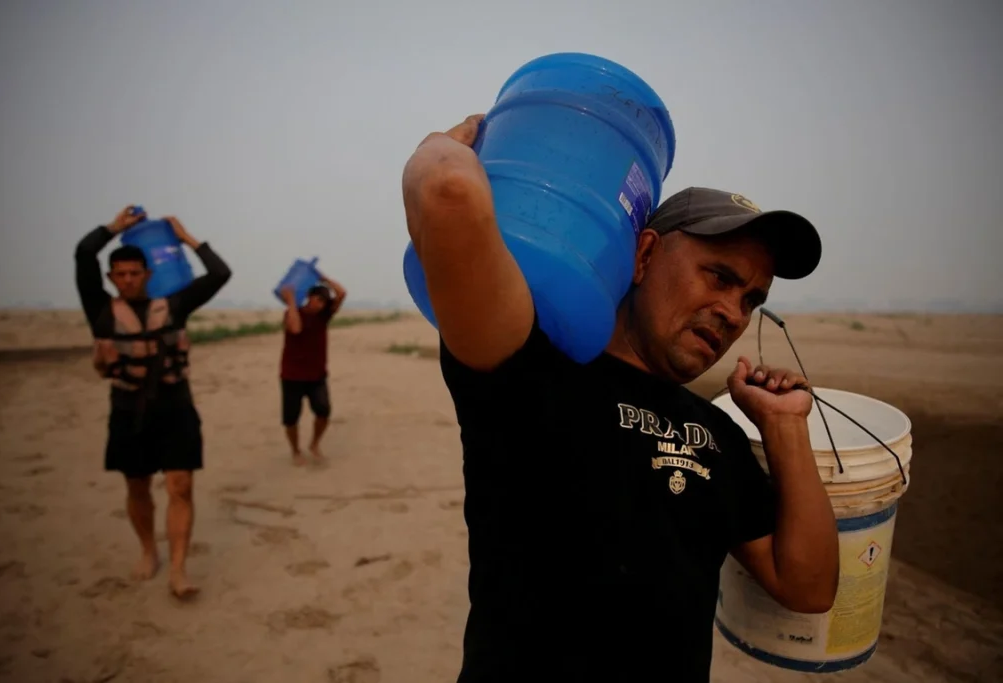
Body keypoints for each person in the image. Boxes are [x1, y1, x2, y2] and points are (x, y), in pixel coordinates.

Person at [402, 114, 840, 682]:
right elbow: (446, 193)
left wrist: (785, 427)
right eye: (719, 277)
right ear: (645, 254)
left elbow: (807, 588)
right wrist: (443, 147)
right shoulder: (526, 367)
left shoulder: (719, 436)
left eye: (752, 299)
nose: (734, 313)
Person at [74, 206, 231, 600]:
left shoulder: (174, 304)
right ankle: (148, 549)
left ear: (148, 274)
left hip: (176, 408)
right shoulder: (101, 310)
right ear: (112, 278)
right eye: (120, 274)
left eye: (135, 273)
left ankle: (178, 569)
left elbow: (219, 274)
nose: (128, 280)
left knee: (180, 486)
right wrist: (114, 228)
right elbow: (83, 254)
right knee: (138, 486)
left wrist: (187, 238)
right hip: (128, 412)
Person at [279, 277, 346, 466]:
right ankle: (295, 450)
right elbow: (295, 328)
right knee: (291, 418)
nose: (320, 304)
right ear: (309, 297)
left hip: (317, 375)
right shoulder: (291, 313)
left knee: (323, 411)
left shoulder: (323, 317)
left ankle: (314, 444)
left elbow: (342, 293)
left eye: (324, 301)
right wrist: (292, 301)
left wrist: (321, 276)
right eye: (318, 299)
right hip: (292, 375)